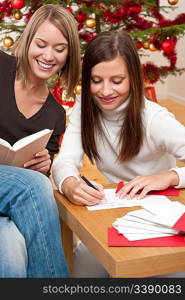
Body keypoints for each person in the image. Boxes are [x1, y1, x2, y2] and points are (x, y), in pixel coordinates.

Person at [52, 30, 185, 277]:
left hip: (162, 224)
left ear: (133, 78)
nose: (105, 91)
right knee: (85, 260)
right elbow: (65, 160)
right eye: (96, 80)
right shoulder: (85, 108)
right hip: (117, 217)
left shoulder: (154, 118)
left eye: (117, 81)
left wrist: (170, 176)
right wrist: (69, 183)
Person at [0, 4, 81, 277]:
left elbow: (39, 186)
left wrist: (43, 164)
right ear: (27, 41)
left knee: (9, 250)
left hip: (5, 199)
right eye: (41, 44)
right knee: (33, 186)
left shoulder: (55, 114)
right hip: (17, 190)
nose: (48, 56)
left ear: (69, 55)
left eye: (59, 49)